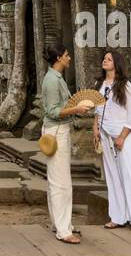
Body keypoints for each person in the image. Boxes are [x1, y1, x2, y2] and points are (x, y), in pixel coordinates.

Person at [40, 42, 95, 243]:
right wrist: (76, 109)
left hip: (60, 129)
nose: (69, 57)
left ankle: (62, 224)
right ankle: (63, 231)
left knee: (60, 180)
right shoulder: (52, 81)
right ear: (59, 59)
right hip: (56, 131)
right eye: (66, 55)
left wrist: (76, 107)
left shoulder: (57, 78)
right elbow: (52, 111)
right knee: (60, 183)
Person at [93, 48, 131, 232]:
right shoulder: (100, 84)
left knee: (129, 175)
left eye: (109, 59)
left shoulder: (125, 86)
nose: (105, 61)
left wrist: (122, 137)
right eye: (104, 58)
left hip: (123, 135)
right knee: (112, 177)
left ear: (116, 64)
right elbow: (97, 110)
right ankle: (117, 216)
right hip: (105, 134)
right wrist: (94, 129)